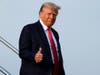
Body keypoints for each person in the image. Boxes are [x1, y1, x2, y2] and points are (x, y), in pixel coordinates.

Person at [19, 2, 65, 75]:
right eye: (49, 14)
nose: (52, 17)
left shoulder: (55, 33)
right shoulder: (29, 29)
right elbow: (23, 52)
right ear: (40, 14)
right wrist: (34, 56)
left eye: (54, 15)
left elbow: (58, 57)